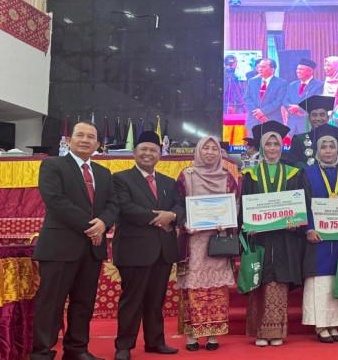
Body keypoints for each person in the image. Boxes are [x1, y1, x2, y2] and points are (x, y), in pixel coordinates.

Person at [31, 122, 117, 360]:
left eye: (91, 137)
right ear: (69, 140)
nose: (85, 140)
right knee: (52, 304)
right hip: (59, 247)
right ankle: (42, 353)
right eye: (80, 135)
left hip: (92, 249)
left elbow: (113, 204)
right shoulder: (53, 165)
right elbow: (55, 200)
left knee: (83, 303)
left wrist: (104, 222)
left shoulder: (103, 173)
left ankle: (77, 349)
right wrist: (92, 226)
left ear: (98, 145)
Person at [111, 131, 181, 359]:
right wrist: (161, 217)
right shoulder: (120, 179)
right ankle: (124, 346)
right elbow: (126, 208)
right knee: (132, 300)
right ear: (135, 152)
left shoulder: (168, 182)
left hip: (163, 251)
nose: (148, 153)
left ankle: (155, 341)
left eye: (153, 150)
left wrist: (172, 215)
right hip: (134, 251)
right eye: (144, 149)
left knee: (155, 300)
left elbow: (179, 206)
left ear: (160, 154)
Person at [241, 121, 305, 347]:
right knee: (259, 281)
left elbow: (300, 204)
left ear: (281, 146)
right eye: (268, 144)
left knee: (278, 282)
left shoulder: (293, 173)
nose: (272, 148)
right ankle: (260, 331)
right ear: (261, 146)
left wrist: (296, 222)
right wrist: (248, 225)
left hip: (284, 238)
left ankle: (276, 331)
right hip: (259, 237)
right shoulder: (250, 174)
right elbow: (244, 205)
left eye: (276, 144)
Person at [176, 136, 240, 352]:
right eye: (206, 148)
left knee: (216, 290)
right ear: (198, 151)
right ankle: (192, 336)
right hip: (193, 241)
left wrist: (228, 222)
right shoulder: (187, 175)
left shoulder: (227, 177)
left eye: (215, 148)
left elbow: (235, 204)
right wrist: (185, 223)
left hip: (217, 240)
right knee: (193, 288)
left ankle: (213, 334)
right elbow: (178, 204)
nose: (211, 152)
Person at [301, 125, 338, 343]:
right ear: (317, 151)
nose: (328, 150)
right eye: (324, 147)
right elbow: (303, 203)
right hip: (318, 237)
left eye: (332, 146)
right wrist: (308, 228)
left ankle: (334, 323)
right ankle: (320, 324)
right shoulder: (307, 173)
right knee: (320, 281)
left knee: (336, 280)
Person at [287, 96, 338, 167]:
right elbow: (293, 163)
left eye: (322, 115)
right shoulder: (299, 140)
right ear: (309, 118)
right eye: (314, 115)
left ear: (328, 118)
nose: (318, 118)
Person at [243, 58, 288, 133]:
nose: (260, 69)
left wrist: (263, 111)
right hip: (253, 121)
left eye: (263, 67)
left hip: (271, 119)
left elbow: (279, 101)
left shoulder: (281, 83)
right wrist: (257, 114)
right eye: (259, 67)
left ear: (272, 69)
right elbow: (247, 98)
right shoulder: (252, 81)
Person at [285, 58, 324, 137]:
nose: (298, 71)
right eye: (297, 69)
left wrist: (299, 108)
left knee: (307, 144)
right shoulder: (292, 85)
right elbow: (285, 100)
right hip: (292, 123)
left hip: (307, 122)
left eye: (301, 69)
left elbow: (316, 102)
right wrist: (292, 108)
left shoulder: (319, 85)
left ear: (310, 71)